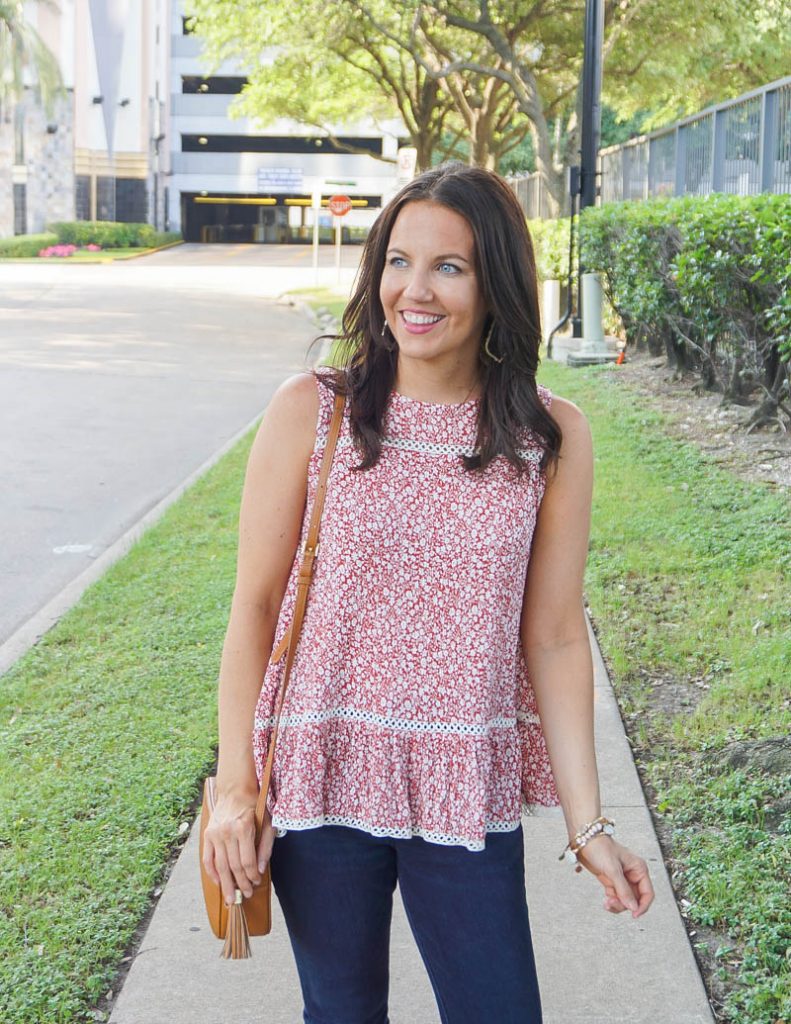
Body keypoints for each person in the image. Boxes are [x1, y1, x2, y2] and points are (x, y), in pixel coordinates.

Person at [202, 162, 655, 1023]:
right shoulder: (314, 411)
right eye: (398, 261)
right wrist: (235, 789)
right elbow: (254, 607)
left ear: (497, 285)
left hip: (461, 782)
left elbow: (554, 636)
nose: (415, 289)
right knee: (341, 1014)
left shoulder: (548, 437)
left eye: (449, 266)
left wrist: (587, 825)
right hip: (322, 774)